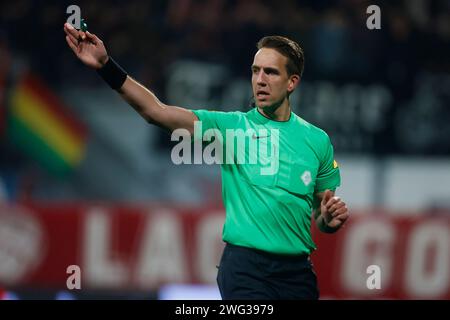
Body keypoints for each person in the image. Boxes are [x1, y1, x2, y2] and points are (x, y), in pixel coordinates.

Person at [63, 22, 349, 300]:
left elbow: (321, 216)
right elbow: (156, 112)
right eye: (255, 71)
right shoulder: (232, 128)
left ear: (292, 82)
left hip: (297, 274)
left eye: (271, 73)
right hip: (246, 269)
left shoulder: (317, 141)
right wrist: (106, 66)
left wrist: (329, 219)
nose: (260, 80)